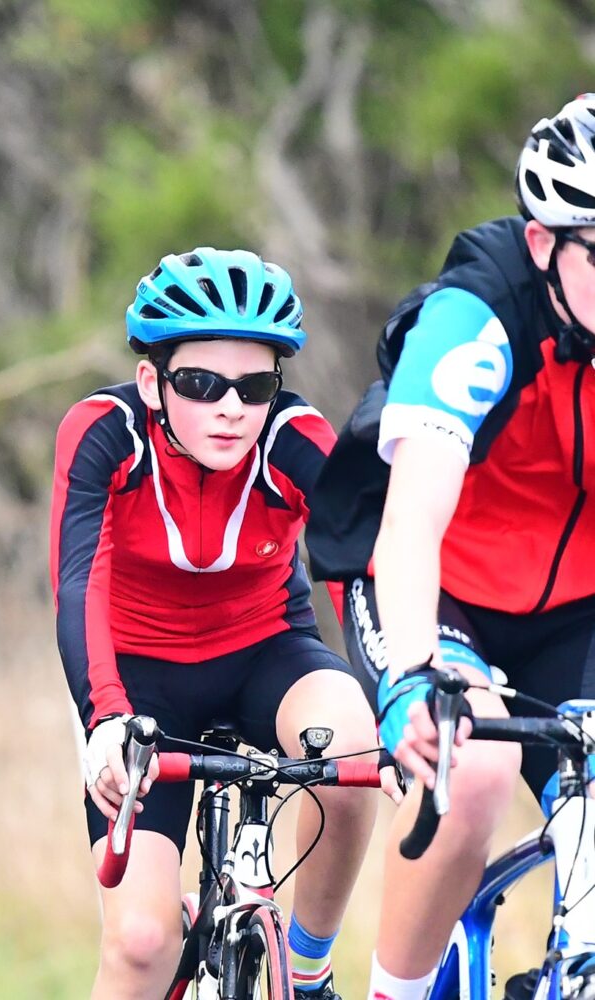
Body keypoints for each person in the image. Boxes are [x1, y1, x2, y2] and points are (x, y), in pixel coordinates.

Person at [305, 93, 595, 1000]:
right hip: (432, 587)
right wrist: (415, 673)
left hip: (573, 608)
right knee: (470, 767)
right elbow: (410, 524)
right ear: (543, 243)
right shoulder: (477, 319)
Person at [50, 247, 379, 1000]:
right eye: (201, 384)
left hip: (267, 651)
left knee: (354, 745)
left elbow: (355, 564)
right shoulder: (104, 432)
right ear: (153, 383)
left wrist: (397, 691)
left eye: (254, 386)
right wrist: (106, 716)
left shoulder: (293, 437)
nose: (231, 408)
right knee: (140, 943)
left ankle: (309, 965)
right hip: (135, 682)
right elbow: (77, 583)